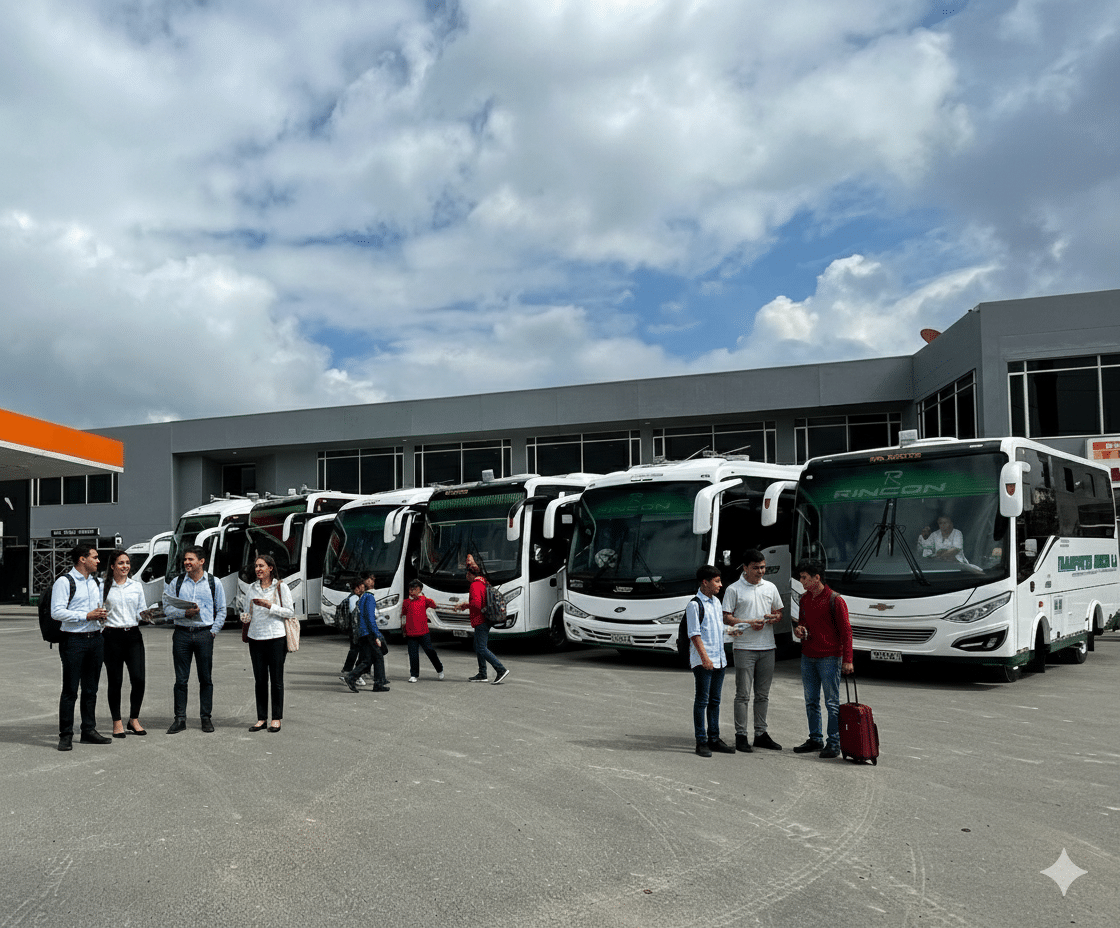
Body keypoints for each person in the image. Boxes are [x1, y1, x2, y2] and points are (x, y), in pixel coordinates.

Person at [723, 549, 785, 753]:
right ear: (746, 568)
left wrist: (774, 618)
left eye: (763, 567)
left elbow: (779, 612)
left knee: (763, 695)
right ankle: (741, 735)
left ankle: (761, 734)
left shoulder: (770, 587)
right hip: (744, 648)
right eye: (756, 568)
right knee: (742, 695)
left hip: (768, 647)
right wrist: (749, 622)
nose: (761, 571)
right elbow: (727, 618)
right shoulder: (734, 589)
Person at [791, 559, 854, 759]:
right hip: (808, 655)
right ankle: (815, 739)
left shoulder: (835, 600)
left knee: (831, 703)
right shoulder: (804, 599)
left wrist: (847, 659)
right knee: (811, 701)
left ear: (816, 578)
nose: (801, 581)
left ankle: (834, 743)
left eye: (804, 577)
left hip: (829, 657)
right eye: (800, 577)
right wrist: (800, 629)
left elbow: (847, 632)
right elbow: (802, 622)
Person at [52, 543, 112, 751]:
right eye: (94, 557)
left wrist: (101, 615)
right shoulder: (64, 581)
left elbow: (96, 610)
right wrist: (85, 616)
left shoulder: (95, 582)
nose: (98, 561)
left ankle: (88, 730)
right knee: (70, 690)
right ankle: (65, 735)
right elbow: (57, 612)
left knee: (91, 689)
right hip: (73, 641)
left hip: (95, 639)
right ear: (82, 559)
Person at [162, 544, 227, 734]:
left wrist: (213, 631)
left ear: (201, 561)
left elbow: (221, 609)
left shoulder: (214, 583)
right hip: (181, 633)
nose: (186, 563)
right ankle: (180, 719)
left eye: (190, 559)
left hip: (204, 634)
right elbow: (167, 608)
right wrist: (184, 612)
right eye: (185, 560)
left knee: (205, 679)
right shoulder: (177, 582)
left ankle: (205, 718)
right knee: (181, 680)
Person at [687, 564, 736, 757]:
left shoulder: (716, 602)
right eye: (717, 581)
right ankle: (701, 741)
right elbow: (695, 634)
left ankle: (714, 738)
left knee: (715, 700)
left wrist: (739, 629)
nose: (720, 585)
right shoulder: (694, 605)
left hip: (719, 660)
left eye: (720, 581)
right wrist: (705, 659)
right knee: (702, 701)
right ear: (704, 582)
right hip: (704, 662)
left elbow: (719, 629)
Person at [242, 555, 294, 732]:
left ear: (270, 568)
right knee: (260, 680)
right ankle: (261, 718)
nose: (258, 569)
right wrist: (245, 616)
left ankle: (276, 718)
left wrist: (269, 606)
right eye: (256, 566)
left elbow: (289, 611)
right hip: (256, 638)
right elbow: (246, 610)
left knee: (276, 680)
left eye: (261, 566)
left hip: (276, 638)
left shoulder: (281, 587)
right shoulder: (252, 588)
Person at [101, 549, 150, 738]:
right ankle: (117, 722)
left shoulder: (136, 586)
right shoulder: (103, 587)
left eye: (127, 563)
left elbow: (141, 611)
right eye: (121, 563)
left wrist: (150, 615)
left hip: (133, 636)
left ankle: (134, 719)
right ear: (112, 566)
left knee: (139, 679)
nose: (125, 566)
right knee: (116, 681)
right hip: (111, 637)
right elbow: (98, 612)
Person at [455, 553, 509, 684]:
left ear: (469, 574)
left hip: (480, 620)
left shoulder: (474, 585)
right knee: (477, 646)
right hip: (485, 618)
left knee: (481, 648)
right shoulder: (484, 582)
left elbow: (477, 604)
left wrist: (464, 605)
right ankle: (482, 673)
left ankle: (500, 669)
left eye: (467, 574)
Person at [345, 577, 390, 692]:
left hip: (362, 633)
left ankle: (354, 677)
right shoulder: (369, 597)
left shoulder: (362, 598)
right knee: (378, 657)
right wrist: (376, 635)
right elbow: (370, 619)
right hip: (369, 633)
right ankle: (376, 683)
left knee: (368, 659)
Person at [401, 579, 445, 682]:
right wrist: (403, 629)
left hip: (423, 632)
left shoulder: (424, 600)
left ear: (420, 590)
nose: (412, 591)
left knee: (430, 651)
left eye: (415, 589)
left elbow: (434, 605)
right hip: (411, 632)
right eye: (411, 589)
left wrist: (424, 597)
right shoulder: (406, 602)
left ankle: (439, 669)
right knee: (413, 654)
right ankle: (414, 674)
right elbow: (403, 615)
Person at [337, 574, 371, 687]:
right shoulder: (354, 599)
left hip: (355, 630)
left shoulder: (354, 598)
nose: (363, 588)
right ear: (356, 588)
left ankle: (348, 671)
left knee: (355, 650)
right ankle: (354, 674)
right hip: (356, 630)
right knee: (359, 651)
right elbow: (356, 614)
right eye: (361, 586)